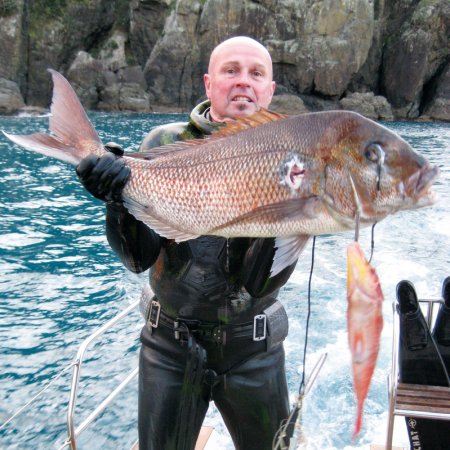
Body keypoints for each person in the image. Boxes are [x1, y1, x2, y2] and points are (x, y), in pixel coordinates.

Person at [76, 36, 297, 450]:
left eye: (256, 74)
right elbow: (137, 259)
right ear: (209, 83)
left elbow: (258, 282)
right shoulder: (162, 144)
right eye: (231, 71)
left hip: (255, 347)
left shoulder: (293, 157)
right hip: (169, 346)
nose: (243, 82)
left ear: (270, 90)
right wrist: (116, 201)